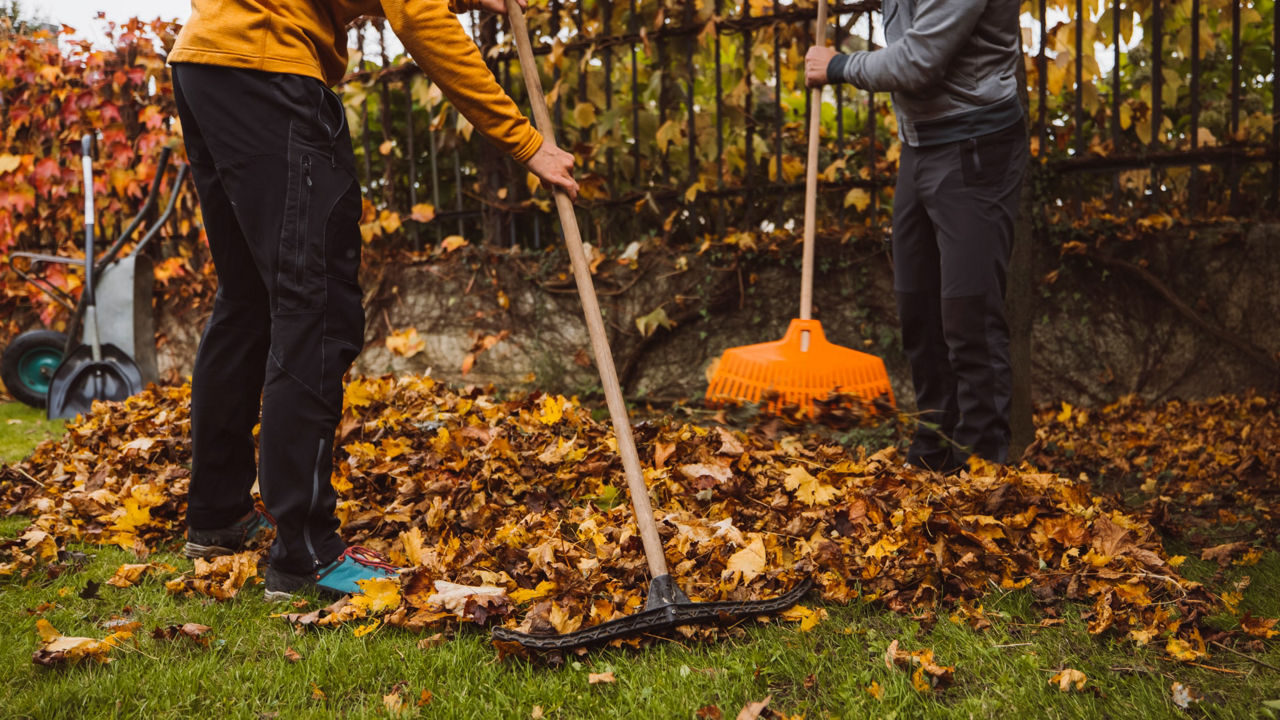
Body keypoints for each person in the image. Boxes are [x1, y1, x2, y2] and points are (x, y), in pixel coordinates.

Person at [169, 0, 578, 600]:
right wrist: (525, 142)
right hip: (267, 68)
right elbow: (417, 17)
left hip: (209, 61)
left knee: (251, 301)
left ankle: (217, 514)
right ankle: (305, 553)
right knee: (316, 306)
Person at [805, 0, 1027, 472]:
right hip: (921, 144)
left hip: (975, 144)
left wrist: (838, 66)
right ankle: (932, 454)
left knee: (969, 316)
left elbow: (918, 61)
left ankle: (980, 469)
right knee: (918, 309)